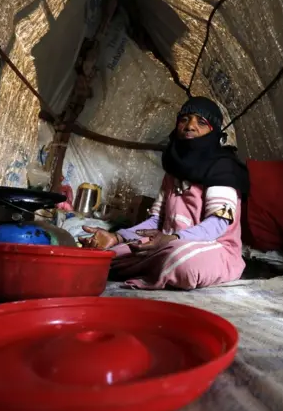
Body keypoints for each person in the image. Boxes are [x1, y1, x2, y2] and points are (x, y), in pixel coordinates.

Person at [80, 97, 250, 290]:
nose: (190, 126)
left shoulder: (223, 167)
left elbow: (217, 225)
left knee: (180, 261)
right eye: (184, 119)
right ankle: (152, 263)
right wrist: (117, 237)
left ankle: (153, 265)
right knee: (107, 258)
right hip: (167, 242)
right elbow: (155, 222)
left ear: (214, 132)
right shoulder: (173, 170)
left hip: (215, 249)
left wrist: (172, 239)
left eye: (201, 122)